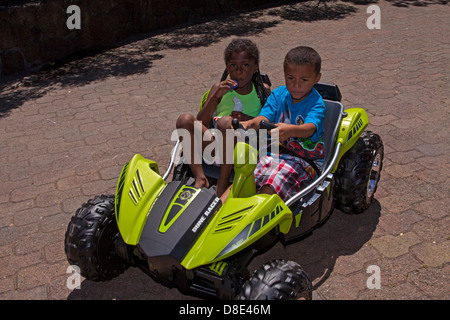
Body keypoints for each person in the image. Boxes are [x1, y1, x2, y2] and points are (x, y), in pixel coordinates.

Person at [176, 38, 270, 197]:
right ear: (227, 67)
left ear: (255, 68)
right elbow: (201, 123)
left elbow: (268, 123)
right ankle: (200, 178)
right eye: (233, 65)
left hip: (245, 149)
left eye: (245, 65)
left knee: (227, 123)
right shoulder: (218, 89)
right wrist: (214, 97)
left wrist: (246, 119)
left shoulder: (262, 90)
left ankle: (223, 182)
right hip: (214, 146)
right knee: (184, 119)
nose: (239, 70)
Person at [241, 46, 326, 201]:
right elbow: (263, 118)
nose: (296, 85)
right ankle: (216, 214)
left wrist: (291, 130)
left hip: (303, 160)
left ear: (317, 78)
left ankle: (256, 219)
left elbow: (309, 128)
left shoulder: (316, 103)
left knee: (272, 183)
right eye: (290, 78)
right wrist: (248, 124)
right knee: (243, 177)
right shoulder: (278, 95)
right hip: (272, 153)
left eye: (304, 80)